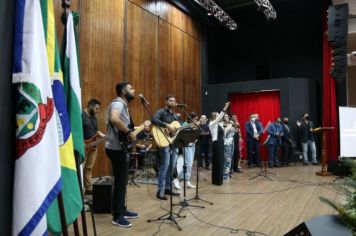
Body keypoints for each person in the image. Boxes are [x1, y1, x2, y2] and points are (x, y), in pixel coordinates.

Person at [105, 82, 147, 227]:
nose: (134, 90)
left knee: (122, 181)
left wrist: (137, 128)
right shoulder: (118, 104)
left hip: (118, 148)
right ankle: (117, 216)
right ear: (123, 91)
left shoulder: (124, 106)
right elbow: (114, 119)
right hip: (116, 149)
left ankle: (121, 209)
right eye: (131, 88)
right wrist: (129, 133)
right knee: (120, 182)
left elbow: (124, 126)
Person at [152, 95, 180, 200]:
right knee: (165, 165)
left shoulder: (175, 116)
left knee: (171, 166)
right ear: (166, 101)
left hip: (173, 142)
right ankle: (160, 191)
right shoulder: (161, 112)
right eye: (170, 100)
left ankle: (168, 188)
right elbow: (153, 120)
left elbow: (176, 129)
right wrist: (166, 125)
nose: (173, 102)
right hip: (164, 142)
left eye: (174, 101)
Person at [82, 98, 105, 195]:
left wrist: (106, 136)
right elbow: (76, 131)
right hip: (82, 146)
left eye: (98, 109)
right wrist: (81, 143)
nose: (98, 111)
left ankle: (88, 188)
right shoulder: (81, 115)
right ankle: (80, 190)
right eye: (96, 108)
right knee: (81, 168)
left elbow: (96, 131)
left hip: (93, 146)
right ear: (90, 106)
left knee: (89, 168)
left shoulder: (94, 117)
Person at [209, 102, 230, 186]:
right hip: (216, 144)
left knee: (220, 161)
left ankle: (219, 179)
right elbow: (220, 118)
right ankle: (216, 180)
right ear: (214, 116)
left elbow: (223, 134)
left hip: (220, 144)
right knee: (217, 162)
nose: (219, 116)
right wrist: (225, 107)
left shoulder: (219, 125)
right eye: (217, 115)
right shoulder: (212, 124)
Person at [221, 114, 236, 180]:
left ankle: (228, 173)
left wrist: (234, 128)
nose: (226, 117)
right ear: (223, 117)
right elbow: (224, 133)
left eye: (227, 116)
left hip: (231, 142)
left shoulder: (231, 123)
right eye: (225, 116)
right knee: (226, 158)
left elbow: (234, 132)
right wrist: (229, 126)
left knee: (230, 158)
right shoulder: (221, 124)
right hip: (225, 142)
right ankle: (224, 174)